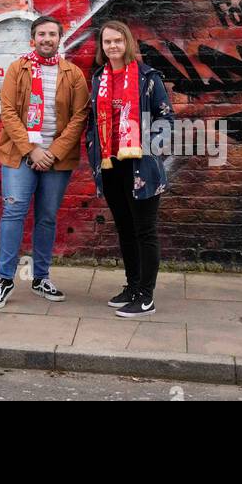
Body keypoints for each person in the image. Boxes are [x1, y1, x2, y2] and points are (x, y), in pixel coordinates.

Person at [0, 15, 90, 308]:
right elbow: (7, 112)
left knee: (46, 217)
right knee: (13, 212)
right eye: (42, 34)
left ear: (59, 39)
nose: (47, 39)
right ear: (33, 39)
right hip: (20, 154)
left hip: (57, 157)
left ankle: (40, 277)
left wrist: (52, 152)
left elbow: (79, 116)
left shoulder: (73, 74)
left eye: (52, 34)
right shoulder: (17, 69)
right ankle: (4, 279)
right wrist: (32, 149)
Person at [86, 19, 174, 317]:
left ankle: (146, 297)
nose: (112, 46)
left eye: (117, 41)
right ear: (102, 46)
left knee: (145, 230)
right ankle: (133, 286)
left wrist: (148, 152)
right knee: (125, 229)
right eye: (107, 42)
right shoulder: (99, 78)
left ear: (128, 43)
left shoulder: (148, 77)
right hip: (111, 166)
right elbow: (92, 122)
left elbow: (165, 121)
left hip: (141, 168)